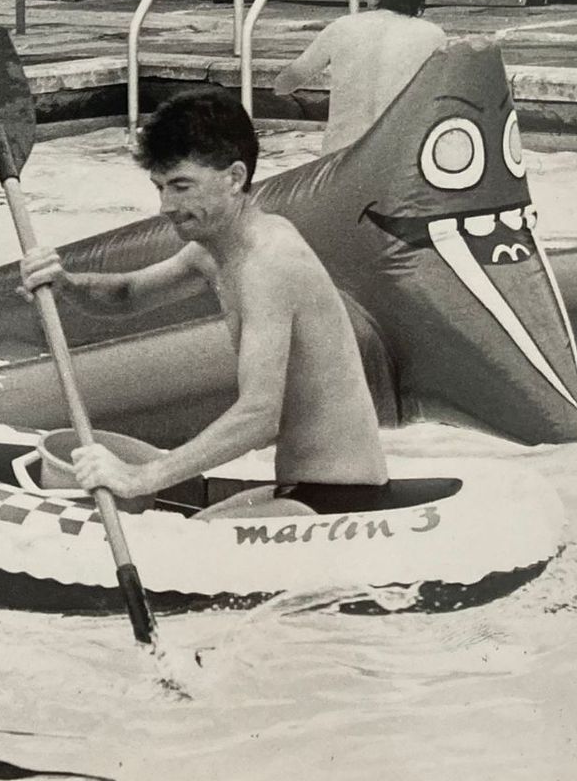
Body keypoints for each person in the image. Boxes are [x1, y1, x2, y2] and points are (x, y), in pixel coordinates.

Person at [20, 88, 388, 519]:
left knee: (164, 550)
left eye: (181, 186)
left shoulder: (269, 261)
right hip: (301, 487)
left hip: (338, 502)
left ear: (234, 178)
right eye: (159, 187)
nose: (165, 206)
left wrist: (142, 477)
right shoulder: (216, 248)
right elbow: (128, 295)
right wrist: (65, 284)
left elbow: (258, 416)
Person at [271, 0, 445, 153]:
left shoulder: (341, 28)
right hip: (397, 159)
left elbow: (286, 82)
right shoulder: (433, 36)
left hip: (341, 159)